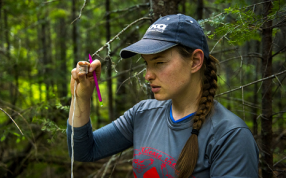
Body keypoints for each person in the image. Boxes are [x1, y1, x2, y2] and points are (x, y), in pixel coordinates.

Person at [67, 14, 259, 178]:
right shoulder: (143, 114)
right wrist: (81, 97)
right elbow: (83, 150)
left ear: (195, 61)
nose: (148, 75)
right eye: (147, 64)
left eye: (159, 63)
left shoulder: (230, 136)